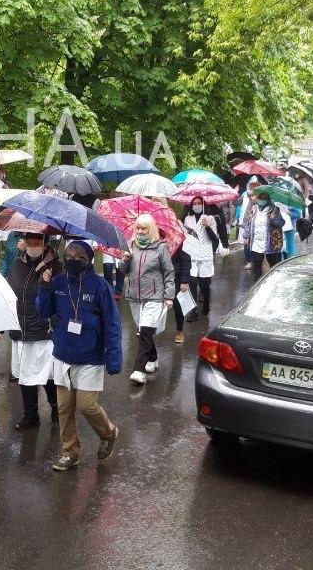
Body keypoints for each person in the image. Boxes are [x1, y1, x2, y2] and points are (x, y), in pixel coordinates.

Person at [35, 240, 121, 472]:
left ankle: (108, 432)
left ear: (89, 259)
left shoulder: (100, 286)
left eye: (79, 256)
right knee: (64, 408)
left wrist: (114, 358)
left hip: (90, 357)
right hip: (63, 354)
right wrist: (44, 286)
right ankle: (69, 452)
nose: (73, 259)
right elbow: (44, 310)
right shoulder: (58, 281)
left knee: (86, 406)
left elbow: (112, 324)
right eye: (69, 254)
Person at [6, 233, 61, 429]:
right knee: (25, 374)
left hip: (43, 330)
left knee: (47, 375)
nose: (32, 246)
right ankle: (31, 415)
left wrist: (48, 280)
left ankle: (56, 407)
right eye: (29, 243)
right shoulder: (16, 264)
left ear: (45, 243)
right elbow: (10, 291)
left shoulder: (56, 267)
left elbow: (60, 299)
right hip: (20, 327)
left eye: (37, 243)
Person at [117, 215, 174, 386]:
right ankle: (153, 359)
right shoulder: (130, 245)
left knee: (145, 331)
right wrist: (125, 260)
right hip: (134, 296)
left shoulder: (161, 247)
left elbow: (169, 272)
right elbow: (123, 270)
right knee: (144, 332)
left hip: (154, 297)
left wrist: (169, 295)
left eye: (144, 228)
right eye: (138, 228)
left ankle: (138, 370)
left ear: (151, 229)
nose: (141, 231)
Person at [181, 198, 221, 324]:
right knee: (192, 283)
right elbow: (185, 236)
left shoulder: (210, 218)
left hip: (205, 256)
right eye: (194, 203)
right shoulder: (187, 219)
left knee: (204, 286)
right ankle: (193, 312)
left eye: (199, 203)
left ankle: (206, 303)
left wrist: (207, 227)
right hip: (191, 256)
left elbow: (215, 239)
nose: (196, 205)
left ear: (203, 205)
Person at [240, 189, 286, 279]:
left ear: (268, 199)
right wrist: (246, 236)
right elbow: (248, 223)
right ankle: (257, 284)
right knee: (257, 263)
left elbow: (281, 222)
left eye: (264, 198)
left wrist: (273, 221)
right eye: (260, 198)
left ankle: (275, 282)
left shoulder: (274, 209)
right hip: (256, 241)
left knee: (273, 263)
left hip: (270, 242)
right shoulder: (254, 209)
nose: (261, 200)